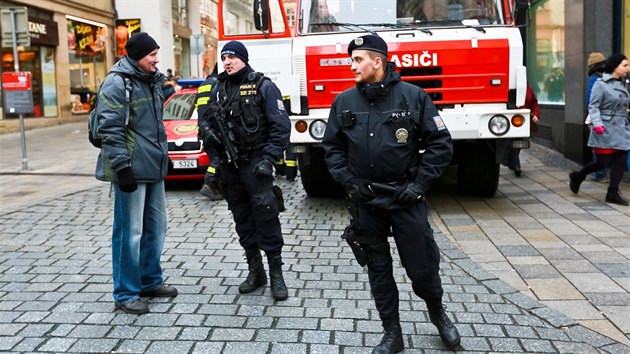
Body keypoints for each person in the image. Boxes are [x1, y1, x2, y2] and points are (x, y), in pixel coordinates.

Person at [322, 35, 460, 353]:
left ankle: (438, 313)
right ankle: (392, 333)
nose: (352, 66)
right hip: (366, 202)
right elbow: (332, 147)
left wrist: (420, 185)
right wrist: (348, 182)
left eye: (358, 60)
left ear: (378, 62)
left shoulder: (413, 97)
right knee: (378, 269)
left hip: (405, 197)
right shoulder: (343, 102)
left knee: (423, 267)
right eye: (352, 60)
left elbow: (440, 144)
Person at [198, 41, 291, 300]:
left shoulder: (263, 86)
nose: (227, 62)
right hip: (230, 166)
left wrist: (269, 160)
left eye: (233, 57)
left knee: (266, 215)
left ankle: (276, 274)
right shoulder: (217, 89)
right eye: (224, 57)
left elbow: (281, 127)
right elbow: (203, 118)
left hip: (256, 163)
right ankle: (255, 270)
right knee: (242, 219)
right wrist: (207, 133)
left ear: (244, 59)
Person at [94, 32, 178, 314]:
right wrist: (122, 169)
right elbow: (110, 129)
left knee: (156, 228)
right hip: (131, 169)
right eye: (152, 54)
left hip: (153, 167)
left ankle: (149, 280)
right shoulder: (117, 83)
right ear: (137, 56)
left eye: (157, 53)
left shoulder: (151, 81)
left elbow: (153, 129)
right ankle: (125, 292)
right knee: (129, 233)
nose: (157, 59)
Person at [569, 53, 630, 206]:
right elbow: (593, 106)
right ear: (615, 67)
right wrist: (597, 124)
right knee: (604, 162)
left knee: (621, 160)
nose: (627, 69)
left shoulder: (623, 84)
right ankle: (578, 176)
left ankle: (612, 192)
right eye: (624, 65)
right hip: (605, 127)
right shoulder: (600, 83)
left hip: (621, 126)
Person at [196, 63, 223, 200]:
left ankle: (215, 188)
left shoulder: (202, 85)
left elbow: (198, 107)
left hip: (202, 128)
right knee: (217, 159)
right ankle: (209, 182)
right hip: (212, 128)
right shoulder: (217, 84)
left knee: (214, 157)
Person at [508, 85, 539, 176]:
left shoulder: (529, 89)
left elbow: (534, 104)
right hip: (512, 120)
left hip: (523, 122)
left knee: (519, 142)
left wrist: (536, 115)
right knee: (514, 141)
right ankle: (517, 165)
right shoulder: (510, 87)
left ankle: (512, 162)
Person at [586, 52, 608, 182]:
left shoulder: (595, 77)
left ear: (593, 64)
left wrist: (589, 116)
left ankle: (599, 173)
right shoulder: (609, 74)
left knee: (597, 145)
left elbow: (590, 99)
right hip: (611, 115)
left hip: (597, 116)